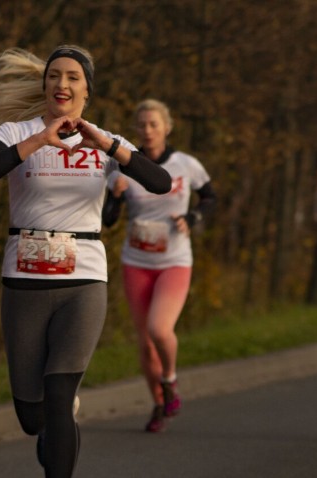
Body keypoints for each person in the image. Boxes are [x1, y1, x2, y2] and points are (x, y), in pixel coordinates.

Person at [0, 46, 171, 477]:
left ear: (87, 90)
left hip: (83, 280)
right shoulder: (14, 132)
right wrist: (38, 140)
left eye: (73, 77)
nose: (63, 84)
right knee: (32, 416)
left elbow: (161, 182)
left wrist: (112, 146)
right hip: (23, 279)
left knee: (59, 397)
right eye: (55, 75)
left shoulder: (102, 141)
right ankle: (49, 430)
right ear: (44, 85)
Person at [101, 99, 216, 433]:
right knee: (145, 342)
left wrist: (192, 217)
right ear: (135, 129)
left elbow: (210, 198)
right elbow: (108, 221)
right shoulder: (123, 164)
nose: (148, 131)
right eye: (142, 125)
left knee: (159, 329)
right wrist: (117, 197)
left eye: (154, 124)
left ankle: (170, 380)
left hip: (174, 261)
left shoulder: (185, 164)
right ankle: (158, 403)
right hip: (136, 261)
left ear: (168, 127)